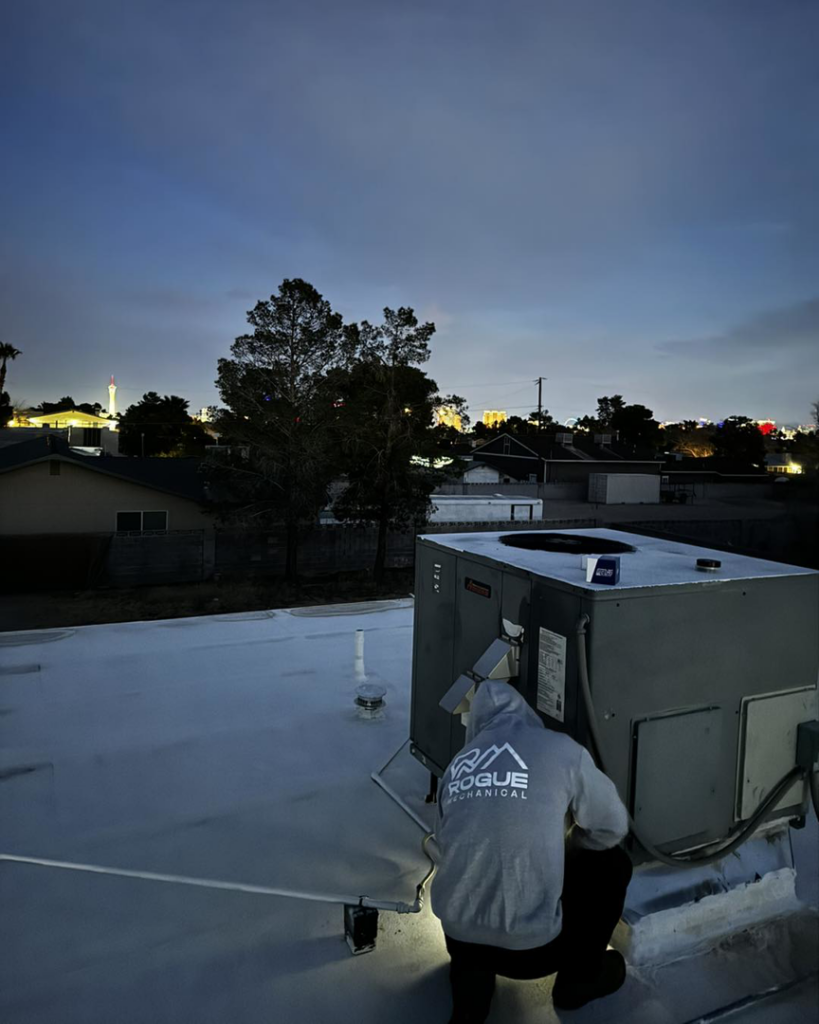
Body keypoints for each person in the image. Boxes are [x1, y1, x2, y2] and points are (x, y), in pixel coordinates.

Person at [431, 679, 633, 1023]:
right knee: (612, 864)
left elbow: (444, 843)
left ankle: (471, 994)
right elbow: (613, 826)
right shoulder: (562, 750)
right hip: (534, 951)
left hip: (460, 941)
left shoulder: (458, 765)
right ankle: (578, 982)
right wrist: (569, 849)